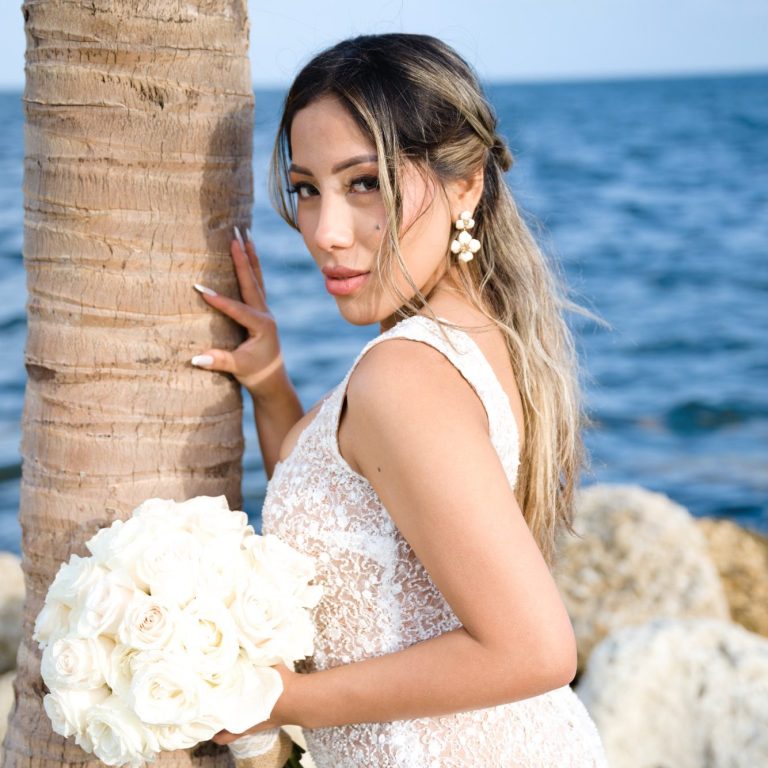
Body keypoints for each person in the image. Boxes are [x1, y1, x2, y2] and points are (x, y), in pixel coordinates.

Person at [191, 33, 608, 768]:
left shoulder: (403, 374)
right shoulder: (473, 338)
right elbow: (356, 510)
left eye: (366, 183)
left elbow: (537, 650)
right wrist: (270, 383)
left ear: (466, 183)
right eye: (306, 188)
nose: (326, 233)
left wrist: (276, 700)